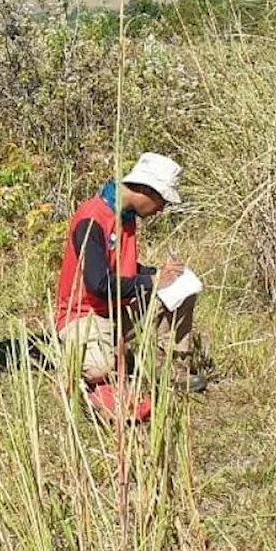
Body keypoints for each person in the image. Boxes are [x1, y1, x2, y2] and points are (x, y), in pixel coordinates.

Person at [56, 153, 206, 420]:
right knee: (100, 367)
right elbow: (99, 284)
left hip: (118, 310)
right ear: (145, 189)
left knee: (183, 289)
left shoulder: (126, 217)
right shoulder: (91, 217)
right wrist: (151, 281)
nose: (161, 209)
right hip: (83, 316)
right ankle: (78, 369)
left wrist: (159, 274)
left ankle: (168, 367)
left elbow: (121, 270)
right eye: (161, 200)